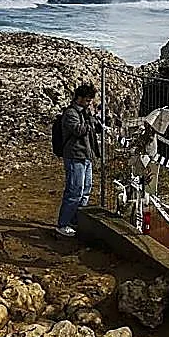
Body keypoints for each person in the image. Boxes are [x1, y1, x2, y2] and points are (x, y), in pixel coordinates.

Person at [56, 83, 101, 237]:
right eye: (87, 100)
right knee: (74, 190)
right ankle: (63, 224)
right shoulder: (70, 114)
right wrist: (91, 121)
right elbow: (79, 130)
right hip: (75, 156)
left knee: (86, 189)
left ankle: (76, 219)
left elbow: (93, 130)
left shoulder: (84, 113)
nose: (89, 103)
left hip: (85, 156)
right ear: (79, 98)